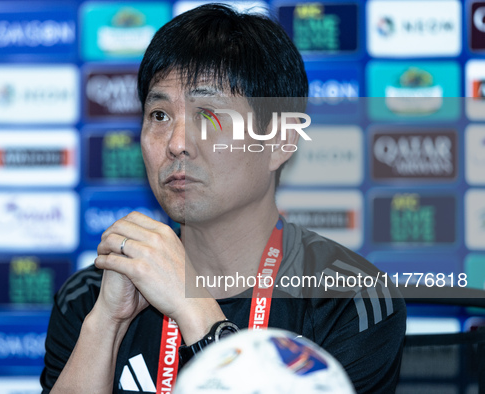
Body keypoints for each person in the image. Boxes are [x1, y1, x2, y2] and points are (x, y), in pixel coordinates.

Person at [41, 4, 406, 394]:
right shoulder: (92, 296)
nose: (177, 144)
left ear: (281, 141)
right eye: (160, 115)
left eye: (210, 115)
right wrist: (106, 325)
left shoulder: (348, 300)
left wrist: (195, 309)